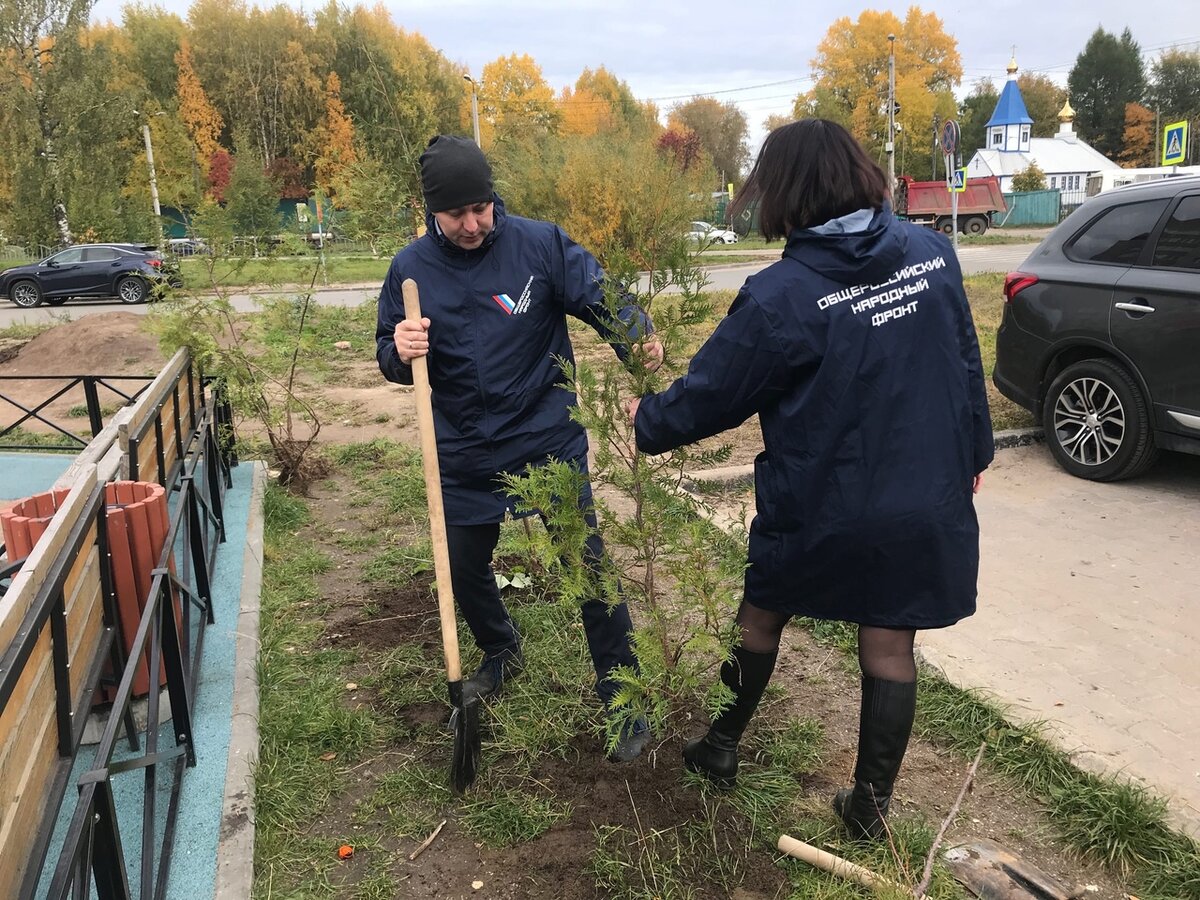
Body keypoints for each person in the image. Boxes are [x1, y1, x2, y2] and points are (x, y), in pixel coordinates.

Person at [626, 119, 993, 836]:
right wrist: (973, 453)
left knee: (762, 613)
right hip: (920, 496)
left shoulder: (780, 295)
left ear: (784, 192)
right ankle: (868, 809)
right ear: (859, 173)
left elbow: (711, 395)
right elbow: (964, 364)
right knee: (889, 643)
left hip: (822, 500)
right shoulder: (932, 254)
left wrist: (648, 419)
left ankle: (721, 747)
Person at [376, 134, 664, 763]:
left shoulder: (538, 245)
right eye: (459, 215)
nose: (475, 223)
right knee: (461, 566)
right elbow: (388, 358)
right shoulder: (411, 270)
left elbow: (602, 297)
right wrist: (399, 351)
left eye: (481, 207)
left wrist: (635, 336)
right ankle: (501, 647)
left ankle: (624, 697)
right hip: (462, 452)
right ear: (432, 210)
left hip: (543, 439)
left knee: (586, 570)